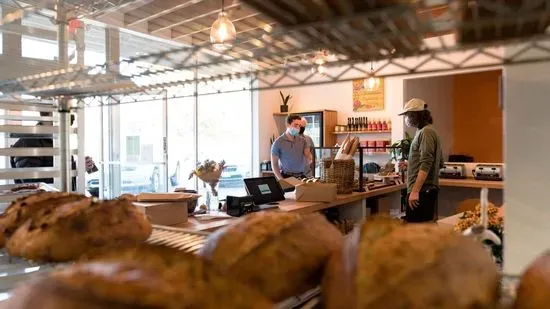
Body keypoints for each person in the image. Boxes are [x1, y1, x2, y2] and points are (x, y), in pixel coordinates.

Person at [10, 111, 97, 194]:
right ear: (50, 113)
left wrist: (80, 167)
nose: (72, 117)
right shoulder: (27, 142)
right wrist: (75, 167)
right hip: (43, 205)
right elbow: (33, 183)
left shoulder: (58, 140)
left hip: (60, 202)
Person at [398, 98, 444, 223]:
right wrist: (410, 165)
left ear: (415, 115)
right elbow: (438, 163)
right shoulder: (423, 131)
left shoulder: (426, 132)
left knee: (416, 235)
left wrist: (415, 191)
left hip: (421, 192)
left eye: (407, 115)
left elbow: (427, 161)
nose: (406, 119)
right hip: (423, 191)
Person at [271, 114, 312, 180]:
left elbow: (308, 155)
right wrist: (281, 179)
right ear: (288, 125)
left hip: (302, 176)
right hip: (287, 176)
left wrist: (311, 158)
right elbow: (274, 164)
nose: (298, 128)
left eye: (299, 125)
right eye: (295, 125)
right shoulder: (278, 142)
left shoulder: (303, 140)